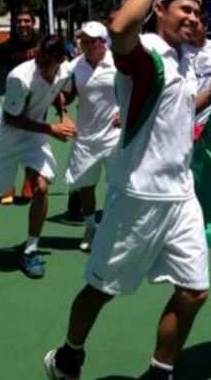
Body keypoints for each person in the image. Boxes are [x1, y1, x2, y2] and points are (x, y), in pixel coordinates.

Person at [44, 0, 211, 379]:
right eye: (184, 9)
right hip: (137, 197)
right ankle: (69, 355)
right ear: (159, 10)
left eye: (197, 12)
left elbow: (179, 111)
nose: (193, 17)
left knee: (195, 292)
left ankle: (158, 373)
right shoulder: (146, 54)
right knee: (102, 289)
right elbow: (121, 28)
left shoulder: (182, 60)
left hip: (181, 198)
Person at [0, 35, 77, 278]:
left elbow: (56, 92)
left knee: (40, 187)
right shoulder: (19, 77)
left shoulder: (64, 70)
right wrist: (51, 129)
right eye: (37, 58)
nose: (38, 64)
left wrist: (63, 114)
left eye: (44, 62)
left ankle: (30, 250)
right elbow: (11, 118)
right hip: (5, 138)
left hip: (33, 137)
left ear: (60, 60)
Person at [61, 21, 120, 252]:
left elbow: (136, 89)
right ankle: (90, 227)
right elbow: (65, 95)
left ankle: (115, 229)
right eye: (82, 40)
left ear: (103, 42)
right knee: (85, 187)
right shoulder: (74, 66)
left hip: (115, 137)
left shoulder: (120, 62)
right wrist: (62, 113)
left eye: (90, 40)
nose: (85, 44)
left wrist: (125, 110)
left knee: (118, 186)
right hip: (85, 137)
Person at [0, 7, 41, 203]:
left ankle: (28, 181)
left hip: (36, 102)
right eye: (19, 21)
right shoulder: (6, 47)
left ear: (33, 23)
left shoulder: (42, 43)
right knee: (7, 143)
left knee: (33, 142)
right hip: (12, 102)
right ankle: (7, 185)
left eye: (27, 21)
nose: (23, 25)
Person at [181, 10, 211, 125]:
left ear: (205, 26)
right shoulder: (179, 48)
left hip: (207, 119)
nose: (191, 29)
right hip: (184, 116)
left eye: (196, 25)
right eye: (189, 26)